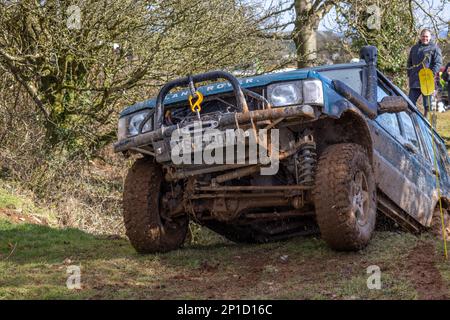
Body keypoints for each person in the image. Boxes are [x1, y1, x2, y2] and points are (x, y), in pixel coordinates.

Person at [407, 28, 442, 117]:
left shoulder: (435, 48)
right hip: (414, 81)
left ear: (430, 37)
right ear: (420, 37)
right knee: (410, 103)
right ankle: (414, 121)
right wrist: (409, 73)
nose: (425, 38)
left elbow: (438, 63)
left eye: (426, 36)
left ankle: (426, 123)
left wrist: (431, 74)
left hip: (427, 81)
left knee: (427, 105)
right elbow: (409, 62)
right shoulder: (414, 48)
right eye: (423, 36)